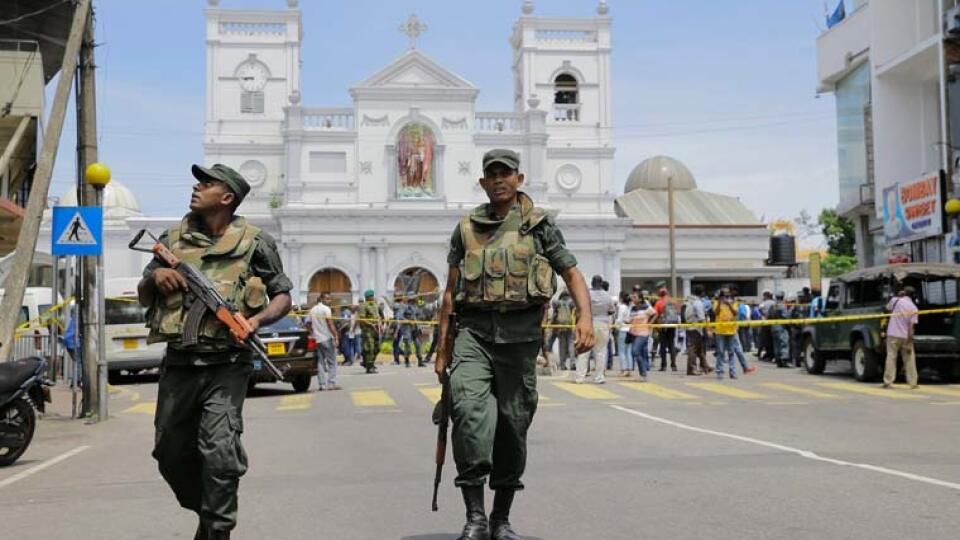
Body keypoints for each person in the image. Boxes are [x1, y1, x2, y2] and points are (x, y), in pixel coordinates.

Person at [435, 149, 595, 540]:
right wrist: (443, 349)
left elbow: (571, 273)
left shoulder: (539, 226)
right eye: (492, 174)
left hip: (520, 339)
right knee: (469, 417)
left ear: (519, 179)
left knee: (512, 425)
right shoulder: (466, 229)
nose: (499, 180)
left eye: (506, 173)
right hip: (473, 336)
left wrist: (585, 318)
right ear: (483, 182)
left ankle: (500, 518)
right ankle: (474, 517)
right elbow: (451, 293)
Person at [138, 163, 292, 539]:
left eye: (207, 183)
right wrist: (156, 276)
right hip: (179, 363)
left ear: (227, 198)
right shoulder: (172, 238)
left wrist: (255, 322)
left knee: (219, 451)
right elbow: (145, 287)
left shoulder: (256, 241)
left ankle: (219, 530)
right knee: (170, 455)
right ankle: (209, 516)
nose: (196, 187)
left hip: (227, 364)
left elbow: (283, 295)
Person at [575, 275, 615, 384]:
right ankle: (599, 377)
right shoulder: (607, 296)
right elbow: (611, 311)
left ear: (592, 283)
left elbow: (579, 308)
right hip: (602, 325)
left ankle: (580, 377)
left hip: (588, 324)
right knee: (601, 352)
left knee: (584, 352)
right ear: (601, 283)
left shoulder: (587, 294)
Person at [883, 286, 919, 389]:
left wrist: (898, 296)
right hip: (905, 336)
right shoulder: (914, 308)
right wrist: (909, 342)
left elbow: (887, 308)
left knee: (891, 357)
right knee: (909, 359)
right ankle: (913, 382)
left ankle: (888, 382)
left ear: (904, 292)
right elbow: (911, 327)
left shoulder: (895, 300)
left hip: (892, 334)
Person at [308, 293, 340, 391]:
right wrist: (336, 335)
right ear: (321, 299)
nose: (329, 301)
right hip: (326, 338)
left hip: (316, 339)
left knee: (320, 362)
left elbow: (308, 324)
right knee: (332, 362)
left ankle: (322, 384)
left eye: (330, 299)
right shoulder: (326, 309)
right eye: (327, 299)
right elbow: (330, 323)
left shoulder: (312, 310)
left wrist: (312, 332)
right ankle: (331, 383)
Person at [683, 285, 711, 376]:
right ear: (702, 293)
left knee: (699, 349)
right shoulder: (698, 303)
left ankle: (705, 366)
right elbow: (701, 318)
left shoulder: (690, 301)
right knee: (693, 349)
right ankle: (691, 369)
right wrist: (708, 330)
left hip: (690, 327)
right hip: (696, 328)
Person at [628, 293, 657, 380]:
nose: (633, 298)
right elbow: (630, 319)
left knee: (635, 351)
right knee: (638, 354)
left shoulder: (646, 307)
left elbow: (655, 314)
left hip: (643, 333)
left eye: (635, 297)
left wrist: (650, 323)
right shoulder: (632, 308)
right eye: (632, 297)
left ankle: (644, 371)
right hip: (633, 332)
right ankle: (643, 374)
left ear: (640, 299)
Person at [653, 287, 680, 371]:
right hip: (672, 324)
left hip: (663, 325)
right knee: (671, 344)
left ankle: (663, 365)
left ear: (660, 294)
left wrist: (652, 324)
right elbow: (678, 312)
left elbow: (655, 314)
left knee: (663, 345)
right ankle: (673, 365)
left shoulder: (659, 302)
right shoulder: (674, 301)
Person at [358, 290, 382, 374]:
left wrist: (380, 324)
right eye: (370, 296)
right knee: (370, 348)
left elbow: (379, 316)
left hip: (375, 329)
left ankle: (367, 362)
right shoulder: (363, 306)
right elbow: (362, 319)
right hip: (367, 330)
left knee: (377, 348)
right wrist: (371, 324)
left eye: (372, 295)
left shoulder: (375, 304)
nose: (372, 297)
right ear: (367, 297)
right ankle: (369, 366)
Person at [551, 290, 576, 370]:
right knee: (571, 345)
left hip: (560, 326)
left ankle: (562, 364)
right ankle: (572, 363)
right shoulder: (571, 302)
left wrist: (553, 325)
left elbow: (554, 314)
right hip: (570, 325)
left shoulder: (557, 303)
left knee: (562, 346)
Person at [771, 292, 791, 368]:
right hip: (781, 326)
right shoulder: (782, 305)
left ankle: (778, 360)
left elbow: (769, 315)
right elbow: (785, 316)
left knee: (776, 344)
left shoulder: (773, 305)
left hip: (773, 326)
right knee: (784, 343)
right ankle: (784, 360)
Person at [615, 291, 633, 377]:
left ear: (621, 298)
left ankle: (623, 369)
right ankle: (629, 369)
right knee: (628, 351)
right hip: (629, 330)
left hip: (623, 330)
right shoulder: (629, 306)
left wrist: (615, 326)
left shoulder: (621, 307)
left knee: (621, 351)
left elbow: (619, 319)